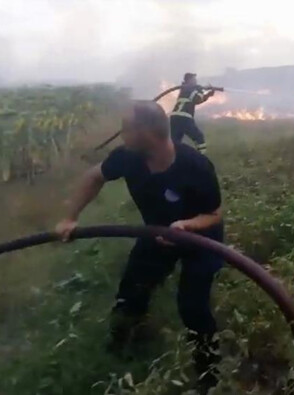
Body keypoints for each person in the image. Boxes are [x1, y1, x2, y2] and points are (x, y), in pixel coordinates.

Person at [56, 100, 223, 393]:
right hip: (156, 237)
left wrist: (184, 227)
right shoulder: (127, 157)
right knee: (130, 294)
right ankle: (122, 348)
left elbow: (214, 214)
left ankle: (209, 374)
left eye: (125, 128)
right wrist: (70, 218)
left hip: (201, 241)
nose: (121, 134)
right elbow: (94, 176)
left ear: (146, 133)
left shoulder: (195, 165)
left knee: (193, 307)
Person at [170, 72, 216, 154]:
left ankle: (173, 160)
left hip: (174, 118)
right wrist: (200, 90)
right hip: (184, 117)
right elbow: (197, 98)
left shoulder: (185, 89)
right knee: (199, 137)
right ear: (189, 80)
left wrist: (208, 94)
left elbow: (197, 100)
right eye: (194, 79)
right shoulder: (189, 89)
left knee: (175, 141)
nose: (196, 81)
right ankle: (201, 159)